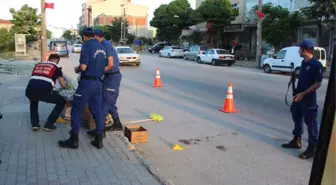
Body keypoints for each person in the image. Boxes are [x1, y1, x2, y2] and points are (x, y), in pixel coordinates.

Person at [58, 27, 113, 149]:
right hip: (98, 83)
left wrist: (77, 69)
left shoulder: (87, 46)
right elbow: (108, 65)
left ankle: (74, 140)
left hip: (87, 84)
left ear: (84, 36)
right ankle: (99, 140)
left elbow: (83, 67)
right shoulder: (103, 47)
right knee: (97, 111)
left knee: (76, 110)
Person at [282, 39, 323, 159]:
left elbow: (318, 83)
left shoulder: (316, 65)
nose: (299, 51)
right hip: (298, 96)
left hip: (308, 99)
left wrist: (303, 94)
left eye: (300, 49)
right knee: (297, 117)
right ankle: (296, 140)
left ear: (305, 50)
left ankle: (311, 148)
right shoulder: (304, 63)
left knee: (311, 123)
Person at [87, 29, 122, 137]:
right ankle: (117, 124)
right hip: (108, 77)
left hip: (112, 77)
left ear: (97, 37)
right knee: (109, 102)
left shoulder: (105, 45)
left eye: (93, 38)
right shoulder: (103, 45)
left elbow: (110, 65)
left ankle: (100, 131)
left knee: (105, 103)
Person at [25, 54, 67, 131]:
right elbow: (62, 84)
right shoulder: (57, 67)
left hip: (29, 89)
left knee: (33, 101)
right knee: (62, 101)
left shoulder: (38, 65)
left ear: (49, 59)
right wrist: (65, 85)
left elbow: (37, 78)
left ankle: (35, 124)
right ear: (57, 61)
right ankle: (49, 125)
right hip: (43, 91)